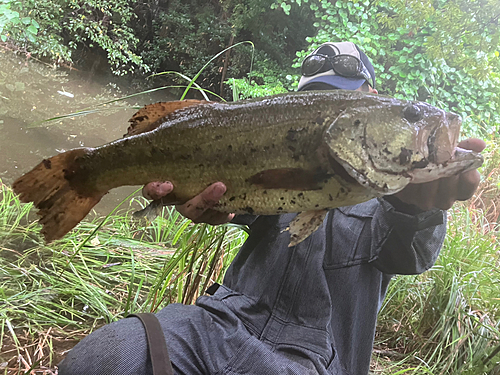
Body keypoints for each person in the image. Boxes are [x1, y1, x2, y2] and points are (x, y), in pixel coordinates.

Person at [58, 42, 485, 375]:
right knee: (101, 360)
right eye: (311, 107)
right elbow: (221, 205)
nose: (313, 128)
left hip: (321, 360)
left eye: (337, 104)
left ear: (371, 98)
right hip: (224, 322)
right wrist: (197, 206)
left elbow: (410, 255)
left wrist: (419, 211)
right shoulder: (269, 150)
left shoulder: (394, 196)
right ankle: (84, 174)